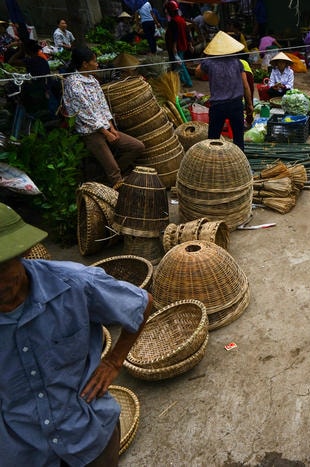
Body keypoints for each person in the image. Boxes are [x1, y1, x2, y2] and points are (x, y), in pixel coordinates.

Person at [0, 202, 154, 466]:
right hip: (22, 453)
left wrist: (113, 361)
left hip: (89, 436)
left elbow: (143, 303)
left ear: (21, 254)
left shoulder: (75, 284)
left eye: (1, 270)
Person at [62, 46, 145, 186]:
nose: (97, 64)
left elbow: (103, 106)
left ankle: (105, 177)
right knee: (114, 171)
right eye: (94, 61)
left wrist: (111, 127)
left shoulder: (93, 81)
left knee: (137, 147)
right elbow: (85, 114)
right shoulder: (74, 84)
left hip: (105, 127)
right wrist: (105, 133)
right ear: (84, 64)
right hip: (91, 132)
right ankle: (116, 186)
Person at [199, 31, 253, 150]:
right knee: (239, 138)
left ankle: (213, 163)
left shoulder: (208, 63)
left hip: (218, 106)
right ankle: (240, 161)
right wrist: (249, 104)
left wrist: (208, 56)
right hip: (236, 104)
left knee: (213, 139)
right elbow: (246, 86)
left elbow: (198, 72)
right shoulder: (237, 62)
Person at [164, 0, 193, 88]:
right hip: (183, 45)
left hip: (178, 46)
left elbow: (175, 36)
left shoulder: (174, 21)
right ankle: (183, 81)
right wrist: (190, 44)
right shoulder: (181, 20)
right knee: (179, 64)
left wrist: (174, 47)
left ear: (170, 11)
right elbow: (188, 32)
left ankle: (188, 82)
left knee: (181, 65)